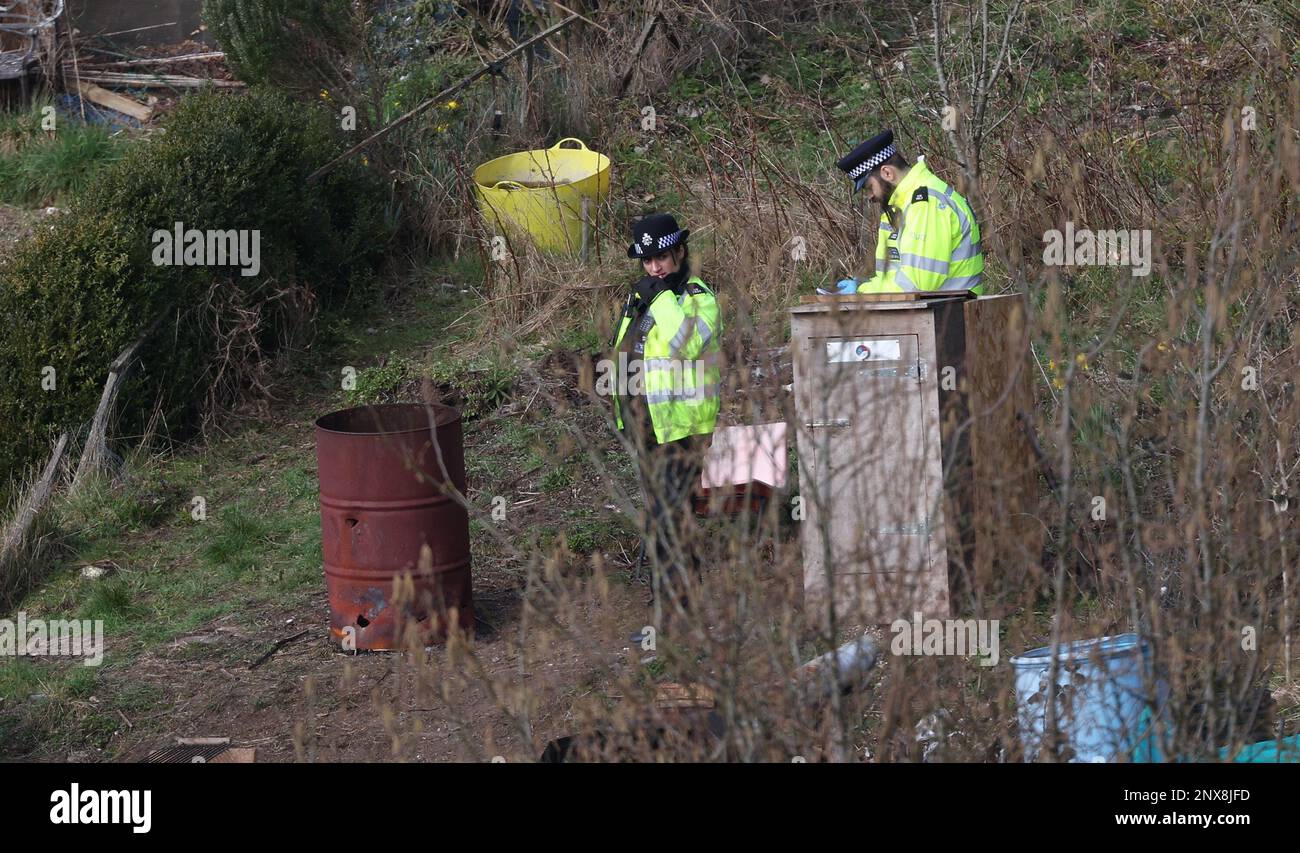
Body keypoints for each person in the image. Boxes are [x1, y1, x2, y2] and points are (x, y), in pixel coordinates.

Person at [609, 213, 721, 625]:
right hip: (647, 429)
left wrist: (657, 297)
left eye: (662, 257)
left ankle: (677, 621)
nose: (655, 267)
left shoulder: (697, 298)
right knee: (661, 525)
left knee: (674, 524)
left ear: (680, 252)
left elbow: (687, 345)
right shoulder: (643, 298)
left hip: (682, 432)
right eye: (647, 261)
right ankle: (670, 615)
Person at [834, 129, 984, 295]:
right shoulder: (898, 207)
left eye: (869, 187)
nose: (869, 196)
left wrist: (863, 291)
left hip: (952, 314)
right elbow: (893, 277)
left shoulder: (926, 204)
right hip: (928, 312)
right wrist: (866, 285)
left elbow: (918, 284)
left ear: (887, 173)